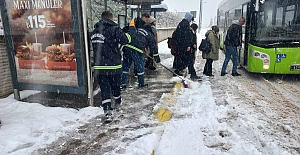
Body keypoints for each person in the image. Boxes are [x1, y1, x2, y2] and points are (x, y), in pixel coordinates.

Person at [91, 11, 130, 121]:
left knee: (105, 90)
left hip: (99, 67)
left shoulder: (95, 31)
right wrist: (127, 32)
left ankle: (107, 111)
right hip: (113, 66)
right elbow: (125, 40)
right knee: (115, 87)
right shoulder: (114, 29)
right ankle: (117, 101)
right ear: (112, 18)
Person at [121, 17, 160, 89]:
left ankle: (122, 84)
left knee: (125, 67)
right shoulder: (150, 35)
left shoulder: (138, 29)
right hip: (137, 50)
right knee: (140, 67)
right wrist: (157, 57)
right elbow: (153, 47)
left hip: (127, 48)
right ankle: (141, 84)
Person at [173, 12, 194, 76]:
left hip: (180, 44)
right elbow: (186, 36)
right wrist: (188, 45)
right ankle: (178, 70)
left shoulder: (181, 23)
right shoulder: (185, 24)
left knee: (181, 57)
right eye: (191, 19)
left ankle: (179, 69)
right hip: (183, 45)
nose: (191, 20)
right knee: (184, 58)